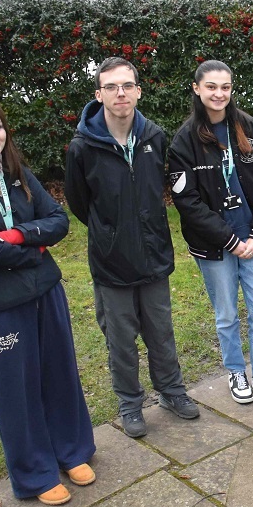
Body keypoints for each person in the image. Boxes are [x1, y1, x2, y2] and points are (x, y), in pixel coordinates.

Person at [0, 95, 95, 506]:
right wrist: (36, 247)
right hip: (0, 303)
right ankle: (36, 472)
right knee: (16, 389)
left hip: (46, 292)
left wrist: (19, 235)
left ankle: (71, 451)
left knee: (60, 373)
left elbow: (58, 221)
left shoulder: (17, 172)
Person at [65, 57, 199, 439]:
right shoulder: (83, 147)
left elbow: (159, 189)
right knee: (120, 342)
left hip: (154, 255)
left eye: (127, 86)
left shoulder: (154, 137)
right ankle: (130, 404)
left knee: (161, 332)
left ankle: (172, 393)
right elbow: (79, 202)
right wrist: (109, 233)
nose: (120, 93)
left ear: (138, 91)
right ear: (99, 94)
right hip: (111, 264)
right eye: (111, 87)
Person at [169, 60, 253, 409]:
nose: (219, 94)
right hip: (216, 245)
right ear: (197, 89)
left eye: (225, 87)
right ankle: (236, 371)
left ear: (231, 88)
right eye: (211, 87)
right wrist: (230, 240)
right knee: (227, 315)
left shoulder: (250, 128)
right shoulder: (184, 139)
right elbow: (187, 201)